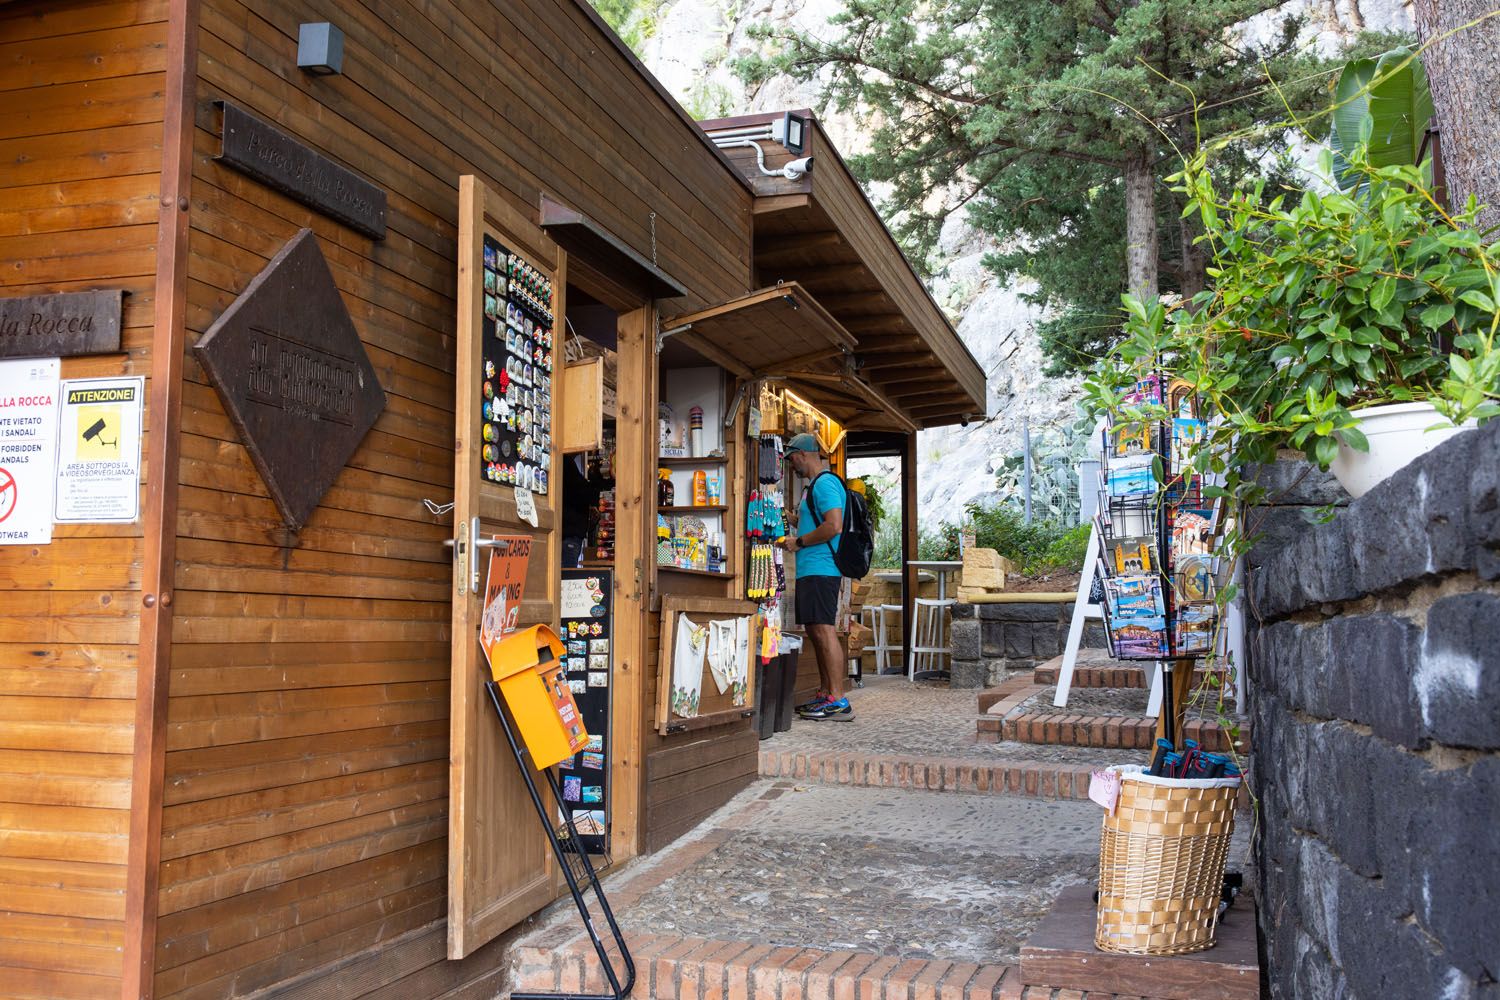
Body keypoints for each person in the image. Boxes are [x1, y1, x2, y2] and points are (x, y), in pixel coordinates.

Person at [778, 433, 853, 721]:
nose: (791, 465)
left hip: (823, 568)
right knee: (815, 630)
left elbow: (833, 525)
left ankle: (838, 699)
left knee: (824, 630)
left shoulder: (826, 483)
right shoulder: (813, 488)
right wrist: (794, 519)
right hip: (812, 569)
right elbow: (820, 520)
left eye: (792, 458)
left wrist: (799, 541)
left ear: (803, 454)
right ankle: (826, 693)